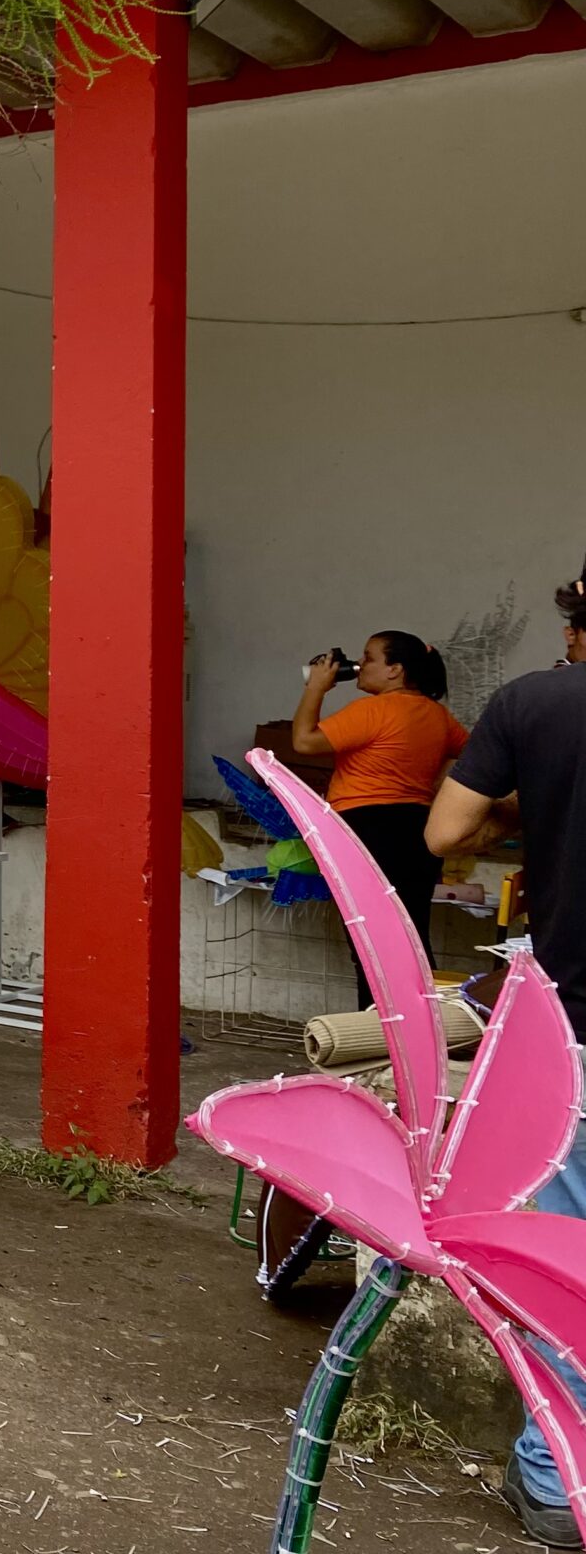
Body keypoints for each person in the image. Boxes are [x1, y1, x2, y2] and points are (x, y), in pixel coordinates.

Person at [429, 568, 586, 1548]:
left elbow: (446, 829)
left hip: (577, 1023)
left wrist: (527, 812)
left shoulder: (533, 703)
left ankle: (556, 1483)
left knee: (568, 1258)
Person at [291, 630, 467, 1001]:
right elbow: (472, 753)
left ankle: (378, 1038)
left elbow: (304, 742)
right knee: (412, 939)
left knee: (371, 946)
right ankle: (423, 1032)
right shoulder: (438, 715)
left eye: (369, 658)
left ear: (395, 670)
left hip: (367, 829)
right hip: (419, 832)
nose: (360, 664)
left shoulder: (373, 710)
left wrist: (317, 689)